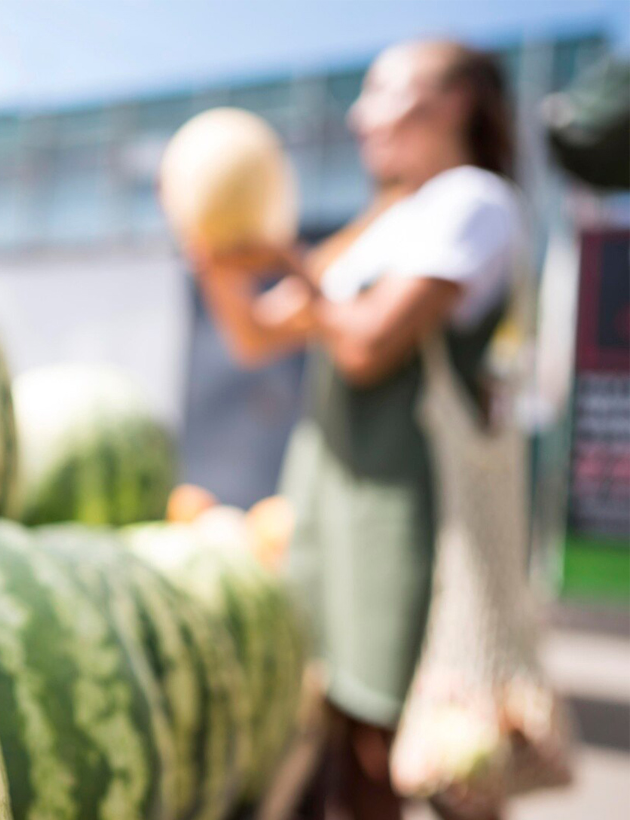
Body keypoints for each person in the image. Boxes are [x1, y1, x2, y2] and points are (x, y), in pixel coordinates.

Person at [193, 40, 526, 820]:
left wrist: (296, 265)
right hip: (330, 502)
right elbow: (254, 335)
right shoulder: (388, 215)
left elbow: (370, 346)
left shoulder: (473, 201)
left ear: (451, 105)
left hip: (399, 513)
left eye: (383, 92)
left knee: (392, 745)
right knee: (338, 736)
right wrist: (209, 250)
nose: (358, 113)